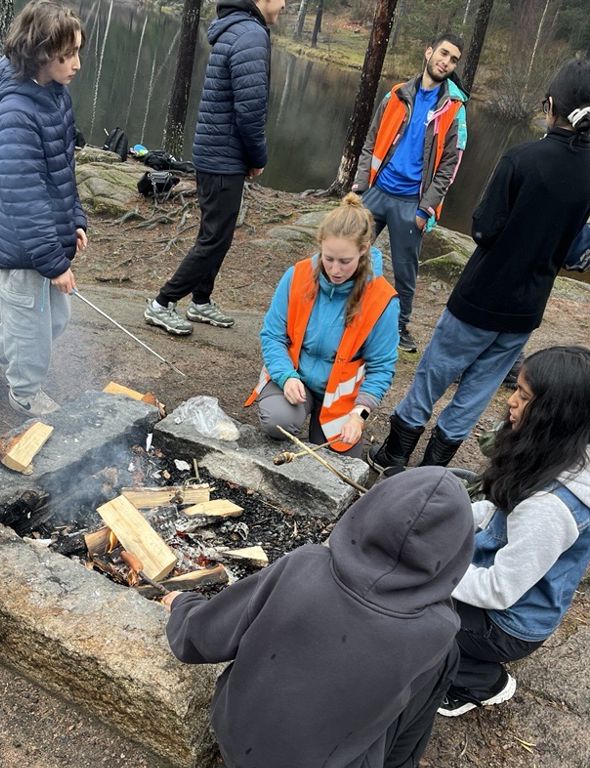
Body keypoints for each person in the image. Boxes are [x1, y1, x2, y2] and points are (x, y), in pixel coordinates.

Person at [163, 467, 474, 768]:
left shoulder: (303, 564)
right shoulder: (438, 635)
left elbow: (202, 638)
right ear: (456, 553)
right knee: (422, 699)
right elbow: (404, 738)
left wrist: (183, 604)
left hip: (231, 736)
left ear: (369, 509)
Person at [371, 58, 590, 473]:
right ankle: (433, 471)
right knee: (477, 393)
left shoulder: (521, 159)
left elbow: (484, 228)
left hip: (480, 296)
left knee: (432, 377)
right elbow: (577, 252)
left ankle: (392, 456)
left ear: (550, 105)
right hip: (527, 309)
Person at [437, 346, 590, 717]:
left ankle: (480, 680)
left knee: (415, 607)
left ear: (555, 414)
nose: (511, 401)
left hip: (508, 623)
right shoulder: (560, 452)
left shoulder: (551, 508)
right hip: (508, 588)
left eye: (523, 396)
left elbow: (498, 590)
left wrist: (433, 570)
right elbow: (498, 512)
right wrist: (451, 516)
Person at [0, 0, 87, 417]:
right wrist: (54, 262)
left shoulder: (56, 95)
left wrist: (75, 219)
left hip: (47, 239)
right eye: (66, 55)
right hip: (23, 248)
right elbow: (25, 195)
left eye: (77, 52)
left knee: (53, 321)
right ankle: (24, 394)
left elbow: (61, 167)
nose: (76, 64)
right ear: (39, 54)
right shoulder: (16, 112)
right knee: (33, 333)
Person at [143, 0, 285, 337]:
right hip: (224, 156)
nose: (283, 5)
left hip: (217, 152)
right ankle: (162, 303)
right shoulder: (250, 34)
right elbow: (250, 110)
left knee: (215, 234)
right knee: (214, 239)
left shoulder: (236, 28)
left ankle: (201, 300)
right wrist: (257, 158)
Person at [245, 195, 399, 458]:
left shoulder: (382, 299)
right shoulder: (297, 276)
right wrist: (286, 375)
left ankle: (324, 421)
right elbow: (272, 335)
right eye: (328, 259)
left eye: (345, 261)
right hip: (294, 378)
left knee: (342, 459)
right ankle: (297, 408)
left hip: (341, 399)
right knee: (277, 421)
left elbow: (381, 368)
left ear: (364, 250)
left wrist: (358, 415)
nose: (335, 270)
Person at [352, 31, 467, 352]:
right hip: (375, 192)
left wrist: (425, 208)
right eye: (443, 54)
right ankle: (341, 309)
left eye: (453, 59)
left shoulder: (453, 109)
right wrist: (361, 186)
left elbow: (449, 167)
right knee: (351, 251)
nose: (446, 62)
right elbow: (370, 143)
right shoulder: (396, 95)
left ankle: (399, 326)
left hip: (410, 203)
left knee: (405, 271)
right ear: (429, 52)